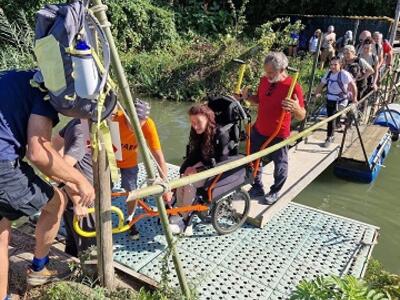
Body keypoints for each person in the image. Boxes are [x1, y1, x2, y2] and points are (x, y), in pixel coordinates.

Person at [0, 70, 95, 299]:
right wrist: (81, 181)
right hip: (3, 165)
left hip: (7, 160)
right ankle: (39, 269)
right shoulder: (46, 92)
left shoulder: (13, 78)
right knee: (56, 202)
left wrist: (67, 180)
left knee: (2, 232)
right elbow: (39, 153)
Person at [241, 52, 305, 205]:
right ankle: (257, 187)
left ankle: (275, 191)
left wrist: (296, 108)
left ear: (282, 69)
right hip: (259, 128)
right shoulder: (264, 80)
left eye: (271, 72)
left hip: (279, 133)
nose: (267, 75)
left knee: (280, 164)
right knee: (252, 159)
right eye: (266, 71)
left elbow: (302, 116)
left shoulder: (293, 87)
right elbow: (259, 100)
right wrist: (246, 97)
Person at [112, 100, 172, 240]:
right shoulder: (115, 118)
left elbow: (158, 155)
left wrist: (165, 182)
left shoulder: (148, 125)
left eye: (140, 123)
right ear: (127, 115)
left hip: (129, 161)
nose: (136, 126)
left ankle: (130, 218)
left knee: (132, 190)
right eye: (133, 122)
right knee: (104, 189)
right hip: (109, 159)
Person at [169, 104, 230, 234]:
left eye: (198, 122)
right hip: (204, 163)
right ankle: (180, 211)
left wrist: (199, 170)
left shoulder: (221, 135)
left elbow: (222, 162)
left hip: (217, 170)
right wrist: (183, 169)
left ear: (208, 119)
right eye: (192, 122)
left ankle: (185, 221)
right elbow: (194, 154)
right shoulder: (198, 132)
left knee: (190, 183)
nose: (195, 126)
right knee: (183, 179)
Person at [52, 119, 96, 257]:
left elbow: (56, 143)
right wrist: (78, 200)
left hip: (71, 196)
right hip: (83, 200)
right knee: (89, 245)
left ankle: (71, 265)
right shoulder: (83, 132)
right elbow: (61, 170)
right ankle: (90, 275)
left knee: (72, 240)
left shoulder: (76, 122)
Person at [315, 56, 358, 147]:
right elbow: (321, 84)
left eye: (335, 64)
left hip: (341, 100)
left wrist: (354, 99)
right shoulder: (328, 74)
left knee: (332, 118)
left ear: (340, 65)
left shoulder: (344, 74)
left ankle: (330, 136)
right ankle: (332, 134)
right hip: (330, 99)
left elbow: (353, 86)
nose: (333, 66)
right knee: (330, 118)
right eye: (331, 64)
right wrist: (316, 93)